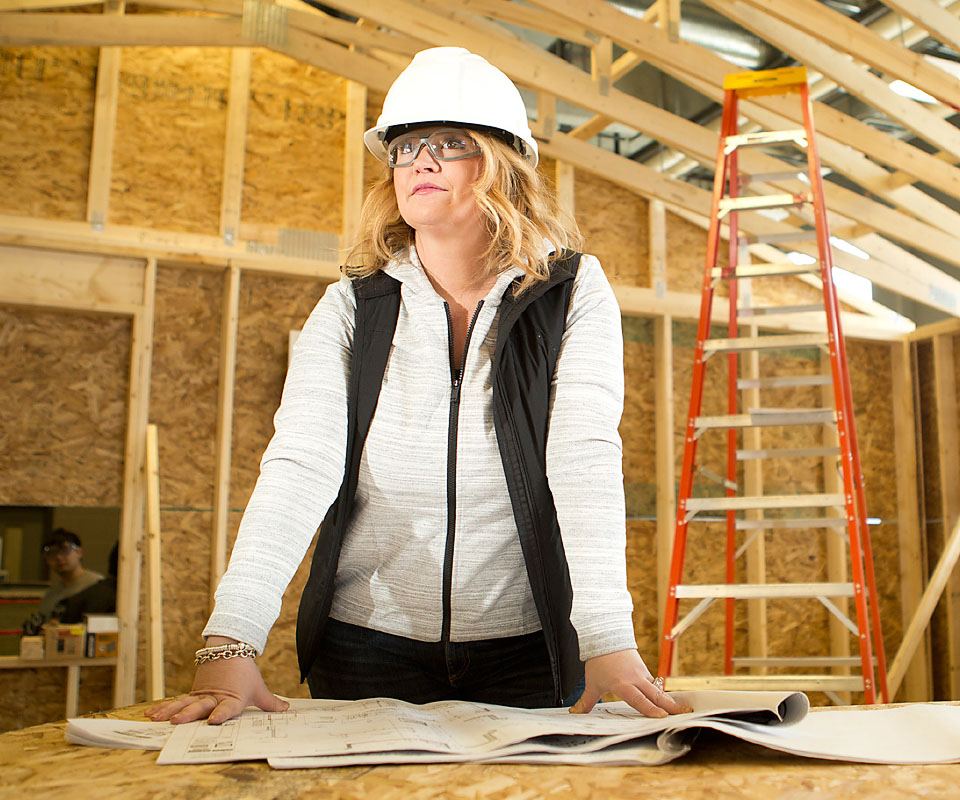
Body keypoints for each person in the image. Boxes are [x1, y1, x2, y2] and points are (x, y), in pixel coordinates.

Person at [149, 47, 688, 726]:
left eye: (450, 143)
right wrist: (230, 637)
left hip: (527, 648)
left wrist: (607, 634)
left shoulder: (572, 290)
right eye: (405, 147)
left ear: (502, 162)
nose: (421, 161)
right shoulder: (354, 304)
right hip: (366, 645)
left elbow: (582, 459)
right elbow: (300, 465)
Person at [22, 528, 103, 635]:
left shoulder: (97, 585)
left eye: (65, 551)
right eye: (52, 553)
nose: (59, 557)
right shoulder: (51, 594)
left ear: (79, 552)